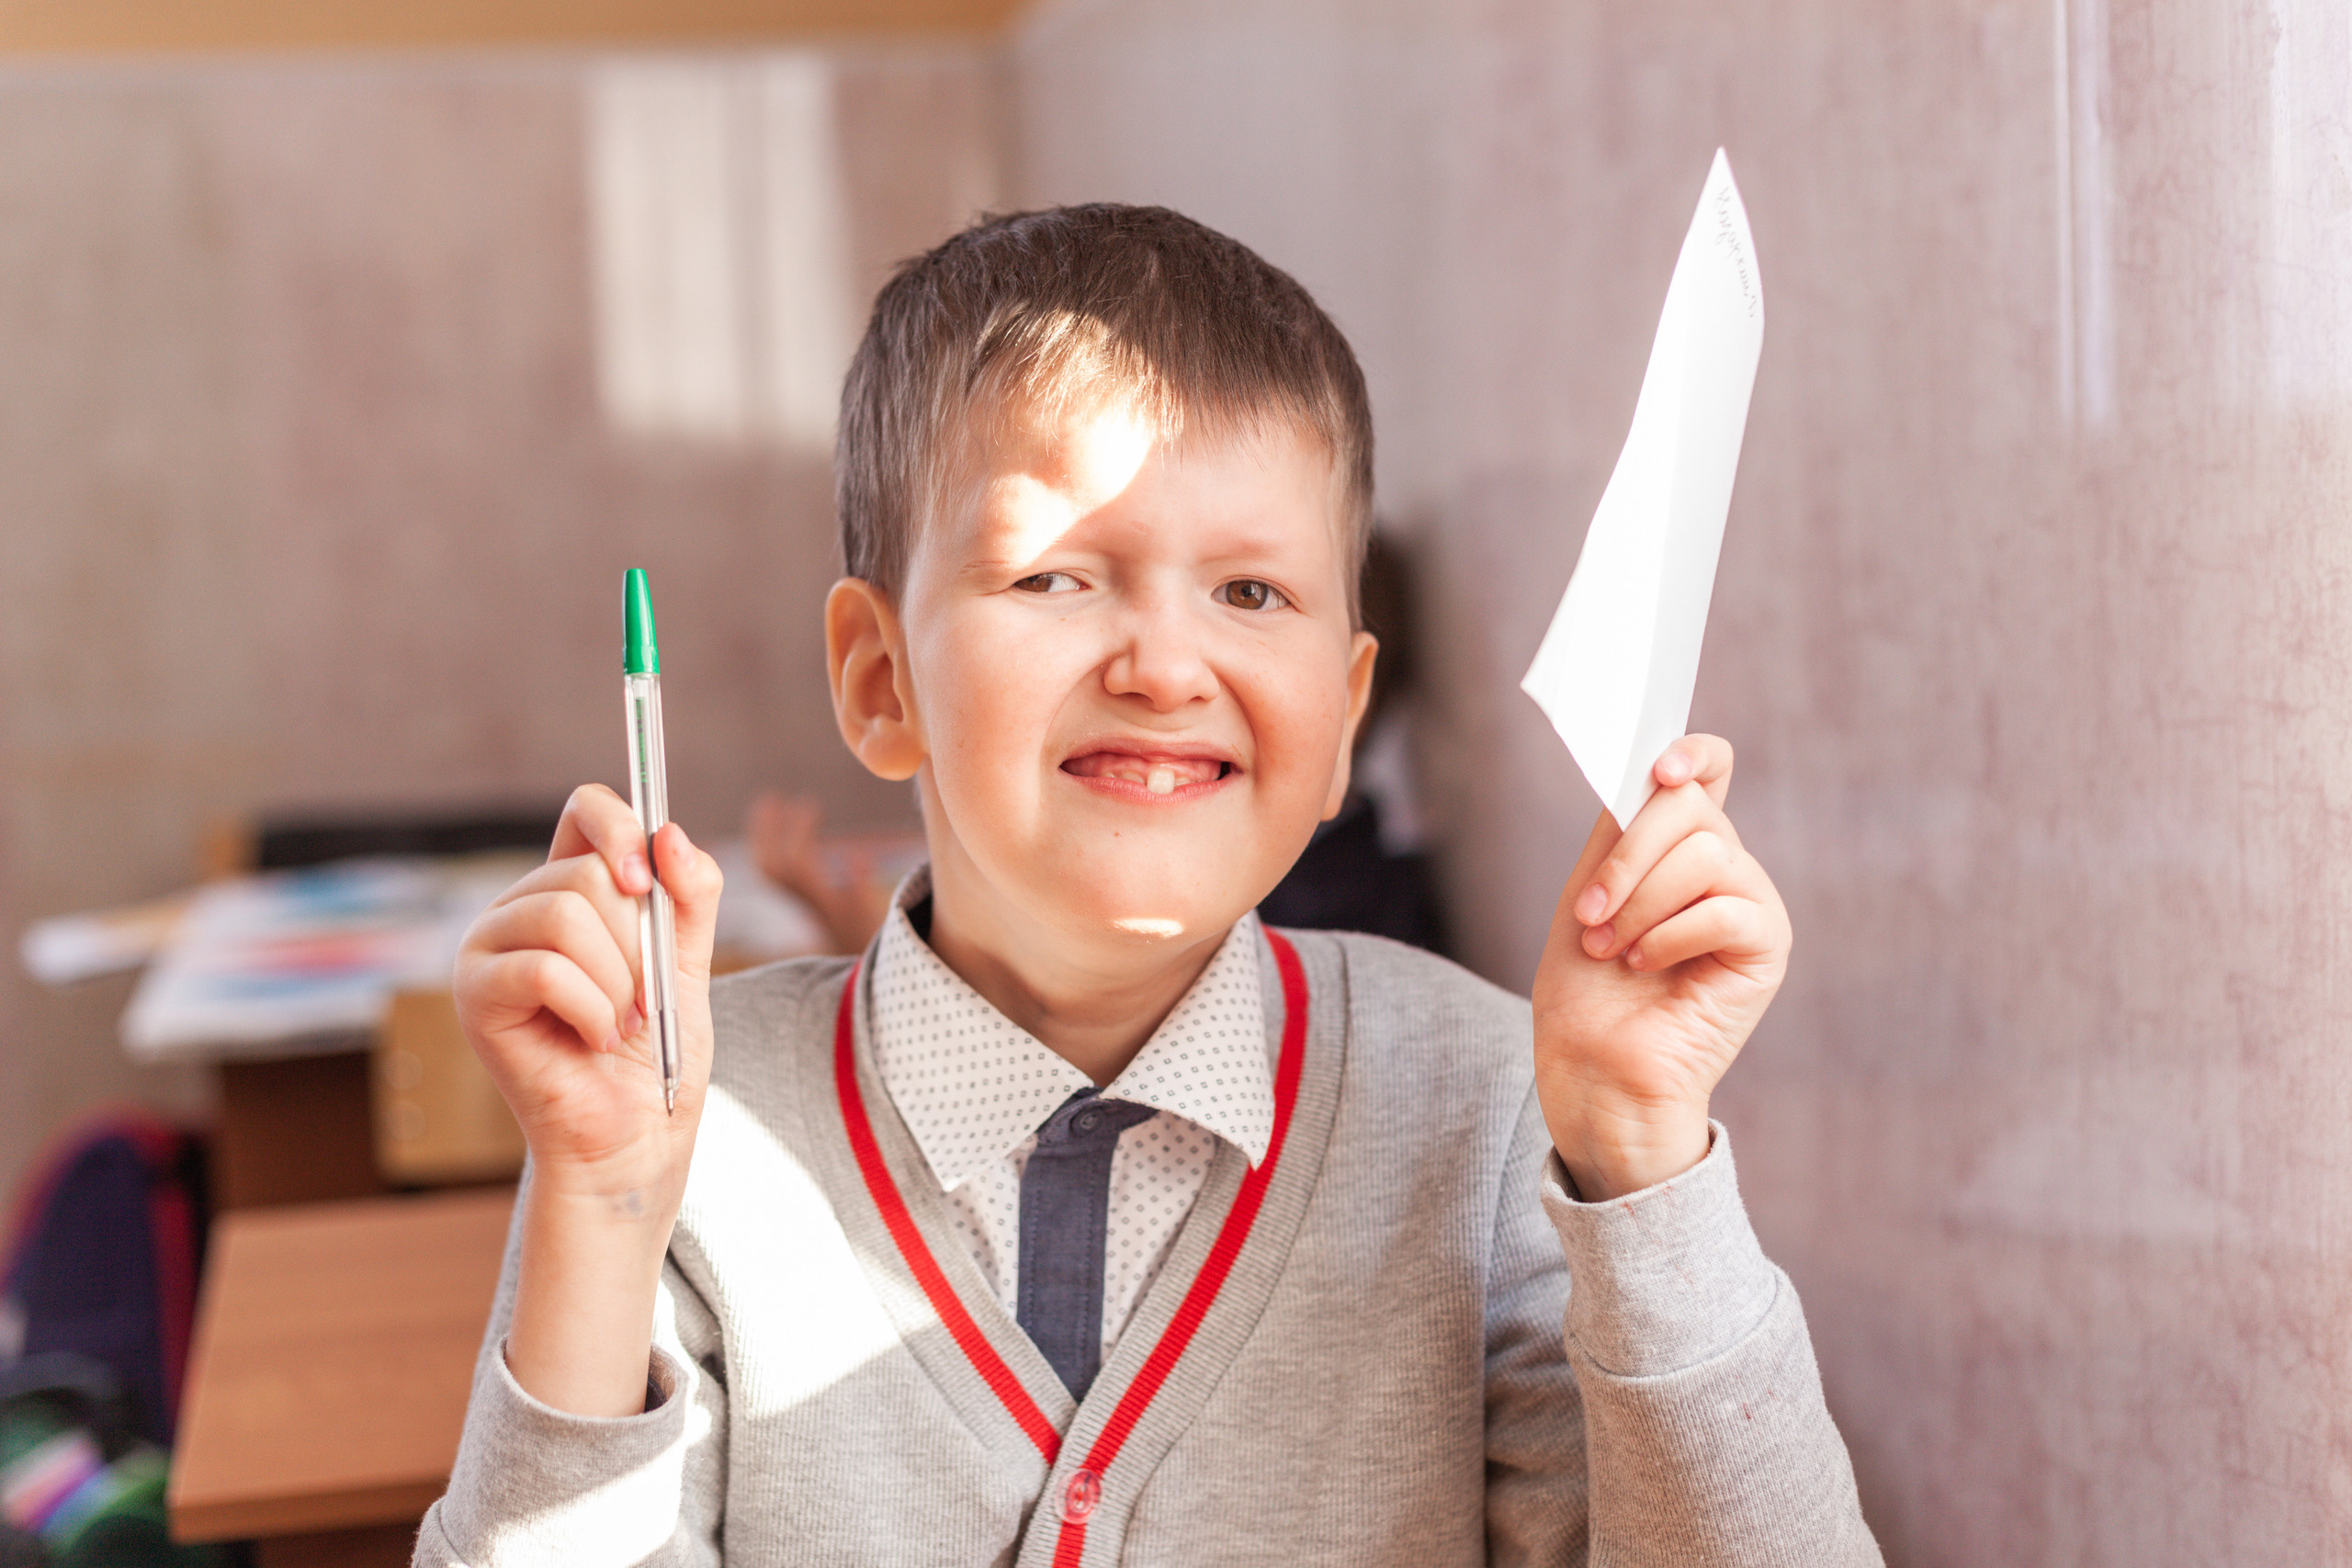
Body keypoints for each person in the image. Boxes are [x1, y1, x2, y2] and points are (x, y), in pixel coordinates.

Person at [415, 205, 1882, 1566]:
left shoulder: (1495, 1112)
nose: (1166, 667)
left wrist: (1639, 1159)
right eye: (1056, 578)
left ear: (1344, 724)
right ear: (879, 683)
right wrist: (602, 1214)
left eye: (1251, 593)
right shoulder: (688, 1150)